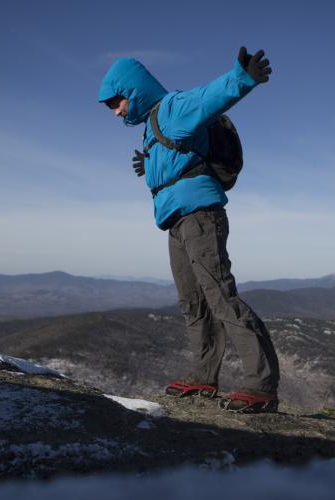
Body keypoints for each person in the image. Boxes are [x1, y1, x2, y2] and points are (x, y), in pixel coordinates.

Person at [98, 47, 281, 413]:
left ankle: (261, 385)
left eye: (116, 101)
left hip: (200, 216)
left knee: (220, 296)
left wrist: (241, 78)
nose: (116, 111)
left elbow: (209, 99)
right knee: (193, 302)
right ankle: (203, 375)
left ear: (132, 91)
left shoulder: (171, 108)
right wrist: (150, 167)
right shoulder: (153, 127)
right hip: (176, 222)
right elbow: (178, 159)